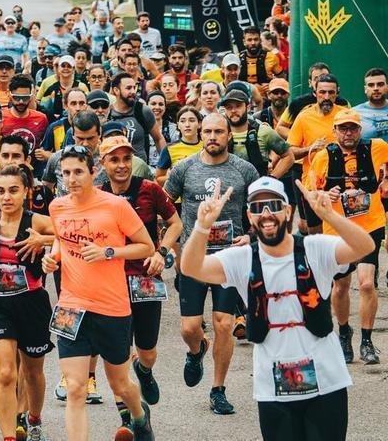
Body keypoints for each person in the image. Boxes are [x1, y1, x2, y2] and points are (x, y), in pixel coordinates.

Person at [182, 177, 371, 441]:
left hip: (327, 381)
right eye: (258, 208)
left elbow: (365, 247)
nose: (266, 214)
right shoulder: (242, 258)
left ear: (288, 211)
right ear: (250, 216)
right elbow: (191, 268)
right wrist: (202, 227)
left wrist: (329, 216)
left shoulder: (315, 248)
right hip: (273, 386)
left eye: (273, 205)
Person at [43, 145, 155, 441]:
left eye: (78, 171)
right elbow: (60, 239)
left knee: (121, 385)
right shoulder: (58, 207)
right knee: (76, 388)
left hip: (111, 307)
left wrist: (109, 251)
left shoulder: (115, 205)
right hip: (71, 305)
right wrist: (52, 256)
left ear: (94, 172)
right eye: (66, 173)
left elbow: (146, 247)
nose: (72, 178)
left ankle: (140, 416)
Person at [164, 113, 259, 415]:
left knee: (225, 323)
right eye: (208, 131)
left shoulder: (244, 170)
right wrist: (173, 248)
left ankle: (218, 389)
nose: (213, 136)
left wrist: (252, 238)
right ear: (200, 134)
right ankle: (196, 350)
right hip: (195, 259)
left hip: (229, 259)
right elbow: (165, 210)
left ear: (230, 135)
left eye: (219, 131)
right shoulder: (184, 169)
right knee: (190, 328)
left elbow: (262, 210)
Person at [0, 165, 55, 441]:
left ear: (26, 192)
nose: (6, 197)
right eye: (1, 191)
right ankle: (7, 436)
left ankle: (34, 416)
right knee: (6, 372)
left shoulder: (37, 221)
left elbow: (68, 235)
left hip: (31, 301)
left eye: (13, 190)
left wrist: (44, 240)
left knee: (32, 371)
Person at [98, 135, 182, 412]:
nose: (122, 165)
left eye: (126, 159)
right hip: (110, 284)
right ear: (103, 163)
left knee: (146, 351)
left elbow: (175, 223)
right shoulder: (97, 195)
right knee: (117, 353)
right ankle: (126, 414)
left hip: (146, 279)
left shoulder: (149, 189)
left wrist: (163, 252)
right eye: (114, 159)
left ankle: (144, 371)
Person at [307, 110, 388, 364]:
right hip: (338, 229)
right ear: (335, 131)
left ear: (360, 130)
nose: (348, 133)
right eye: (343, 128)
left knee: (366, 283)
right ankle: (344, 332)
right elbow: (311, 192)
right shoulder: (323, 157)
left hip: (370, 224)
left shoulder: (378, 148)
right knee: (341, 286)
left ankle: (366, 341)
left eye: (353, 128)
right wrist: (324, 195)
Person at [287, 73, 349, 235]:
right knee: (315, 233)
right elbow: (290, 152)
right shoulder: (304, 117)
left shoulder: (346, 115)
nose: (326, 97)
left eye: (331, 92)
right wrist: (310, 148)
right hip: (314, 185)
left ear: (337, 93)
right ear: (315, 93)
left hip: (344, 182)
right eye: (322, 92)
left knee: (343, 232)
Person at [222, 89, 294, 180]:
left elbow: (289, 156)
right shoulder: (219, 132)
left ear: (248, 108)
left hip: (257, 189)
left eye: (238, 106)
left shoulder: (263, 131)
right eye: (229, 107)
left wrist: (271, 178)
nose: (233, 110)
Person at [108, 72, 166, 164]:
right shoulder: (108, 113)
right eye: (128, 88)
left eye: (134, 87)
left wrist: (165, 165)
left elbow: (158, 139)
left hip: (139, 170)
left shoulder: (142, 111)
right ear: (116, 90)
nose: (133, 92)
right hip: (115, 169)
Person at [155, 106, 203, 186]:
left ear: (199, 124)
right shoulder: (169, 149)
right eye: (183, 121)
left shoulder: (207, 147)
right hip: (178, 197)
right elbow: (159, 178)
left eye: (191, 120)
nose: (187, 125)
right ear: (178, 125)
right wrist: (176, 177)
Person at [238, 26, 284, 97]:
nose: (253, 43)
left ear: (260, 40)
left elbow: (282, 79)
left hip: (266, 100)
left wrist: (272, 85)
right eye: (249, 40)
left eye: (256, 39)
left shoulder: (271, 57)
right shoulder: (237, 59)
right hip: (244, 100)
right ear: (244, 42)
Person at [354, 68, 388, 141]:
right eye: (371, 85)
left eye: (380, 84)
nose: (375, 88)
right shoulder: (354, 113)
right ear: (365, 89)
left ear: (387, 87)